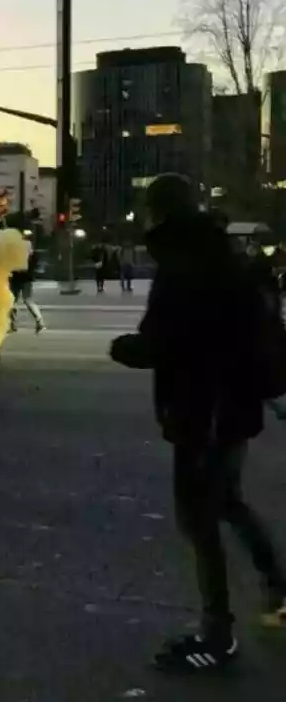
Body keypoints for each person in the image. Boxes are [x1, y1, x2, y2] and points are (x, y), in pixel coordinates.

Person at [109, 173, 286, 673]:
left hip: (201, 413)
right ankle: (278, 588)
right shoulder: (226, 256)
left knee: (199, 519)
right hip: (235, 408)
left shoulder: (182, 265)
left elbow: (168, 341)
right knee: (227, 500)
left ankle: (217, 635)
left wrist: (126, 348)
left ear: (159, 213)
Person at [7, 243, 46, 334]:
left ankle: (13, 325)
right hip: (26, 279)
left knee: (11, 302)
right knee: (27, 300)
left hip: (16, 279)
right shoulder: (30, 255)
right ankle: (40, 322)